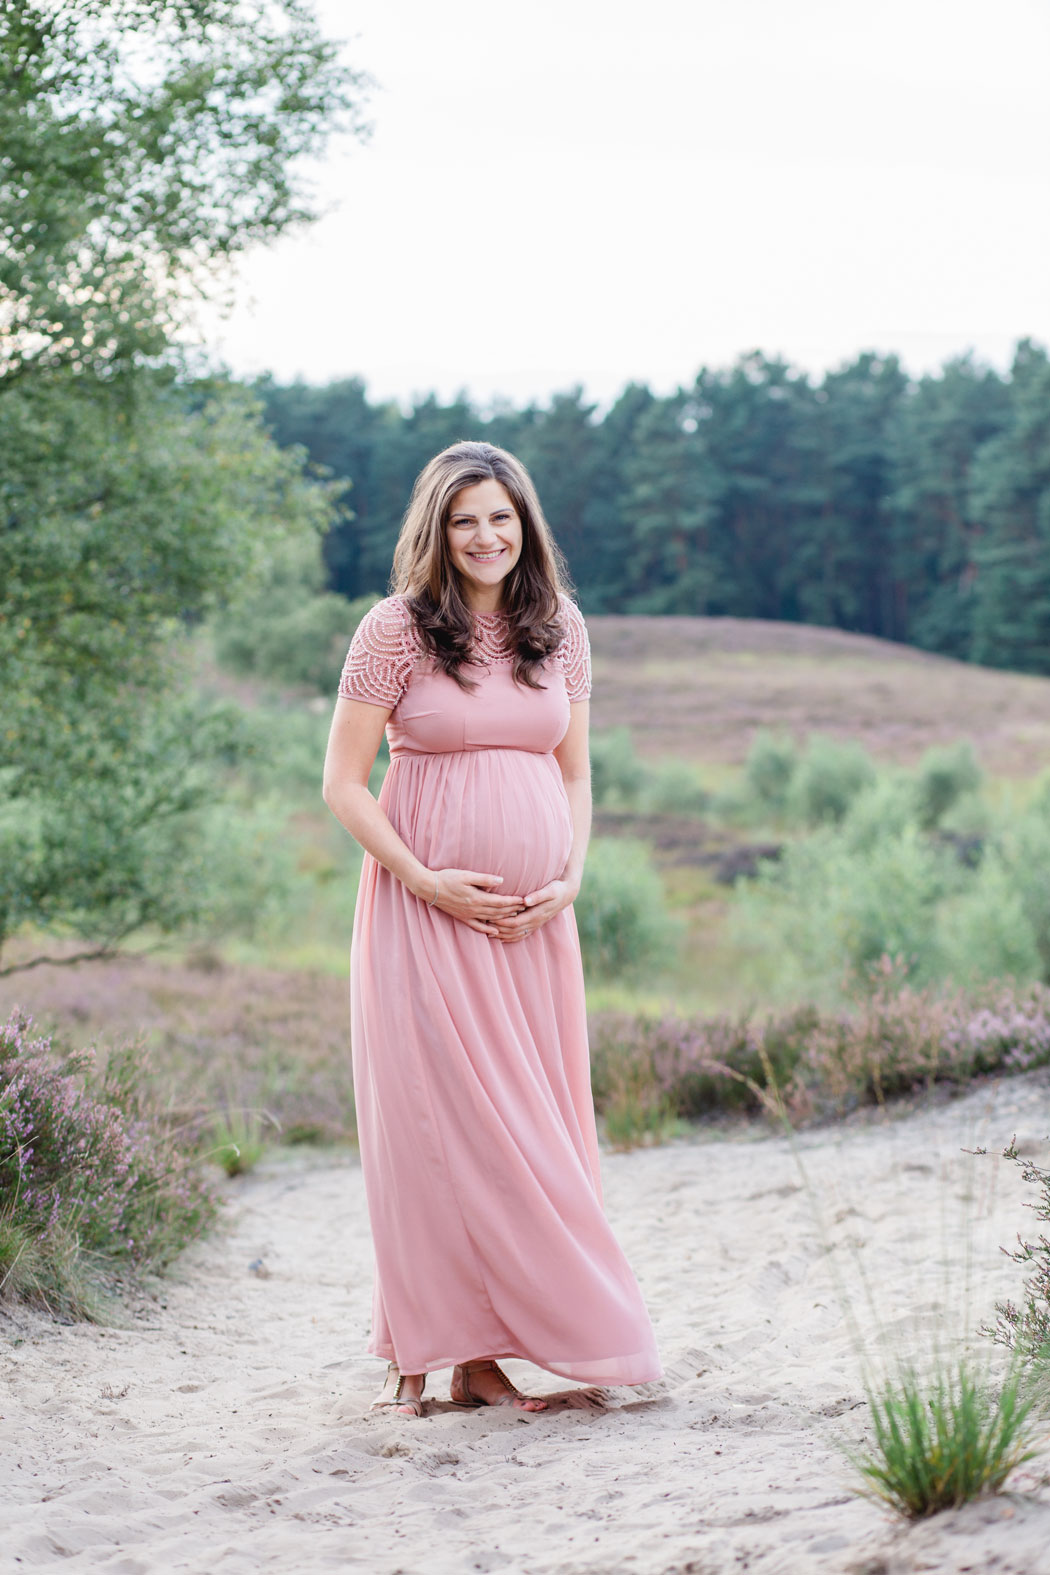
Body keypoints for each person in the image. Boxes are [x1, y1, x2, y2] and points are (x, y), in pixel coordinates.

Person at [322, 440, 661, 1417]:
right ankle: (451, 1349)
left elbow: (575, 773)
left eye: (501, 517)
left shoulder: (560, 629)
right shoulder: (393, 631)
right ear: (437, 531)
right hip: (424, 915)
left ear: (527, 526)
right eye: (465, 519)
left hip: (534, 929)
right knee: (449, 1132)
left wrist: (570, 879)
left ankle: (505, 1350)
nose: (485, 536)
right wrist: (426, 878)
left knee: (535, 1134)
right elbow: (343, 782)